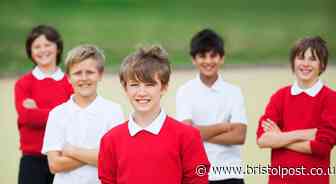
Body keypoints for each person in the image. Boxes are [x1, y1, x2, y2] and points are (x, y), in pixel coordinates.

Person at [98, 45, 210, 184]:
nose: (142, 92)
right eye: (134, 85)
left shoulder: (188, 137)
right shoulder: (110, 140)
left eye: (149, 85)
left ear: (164, 87)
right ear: (125, 87)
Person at [256, 36, 336, 184]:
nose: (305, 64)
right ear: (293, 62)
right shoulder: (280, 96)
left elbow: (322, 147)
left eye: (312, 59)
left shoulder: (331, 98)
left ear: (322, 65)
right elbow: (263, 139)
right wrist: (305, 134)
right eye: (301, 58)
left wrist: (280, 137)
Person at [41, 44, 124, 184]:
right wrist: (96, 156)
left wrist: (72, 151)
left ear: (100, 75)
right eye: (78, 73)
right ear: (68, 77)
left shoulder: (113, 111)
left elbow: (115, 160)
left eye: (90, 72)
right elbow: (54, 165)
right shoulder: (57, 114)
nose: (84, 78)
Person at [176, 28, 247, 184]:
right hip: (196, 173)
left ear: (222, 58)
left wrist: (199, 133)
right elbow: (187, 135)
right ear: (193, 59)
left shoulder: (234, 92)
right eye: (202, 56)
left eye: (213, 55)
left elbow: (239, 136)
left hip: (230, 173)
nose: (208, 61)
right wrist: (223, 127)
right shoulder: (185, 91)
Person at [14, 25, 73, 184]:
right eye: (37, 46)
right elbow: (27, 117)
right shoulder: (23, 84)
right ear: (30, 51)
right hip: (32, 160)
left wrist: (38, 111)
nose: (43, 50)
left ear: (58, 47)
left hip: (64, 158)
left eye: (48, 45)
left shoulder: (70, 82)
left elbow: (73, 118)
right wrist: (60, 112)